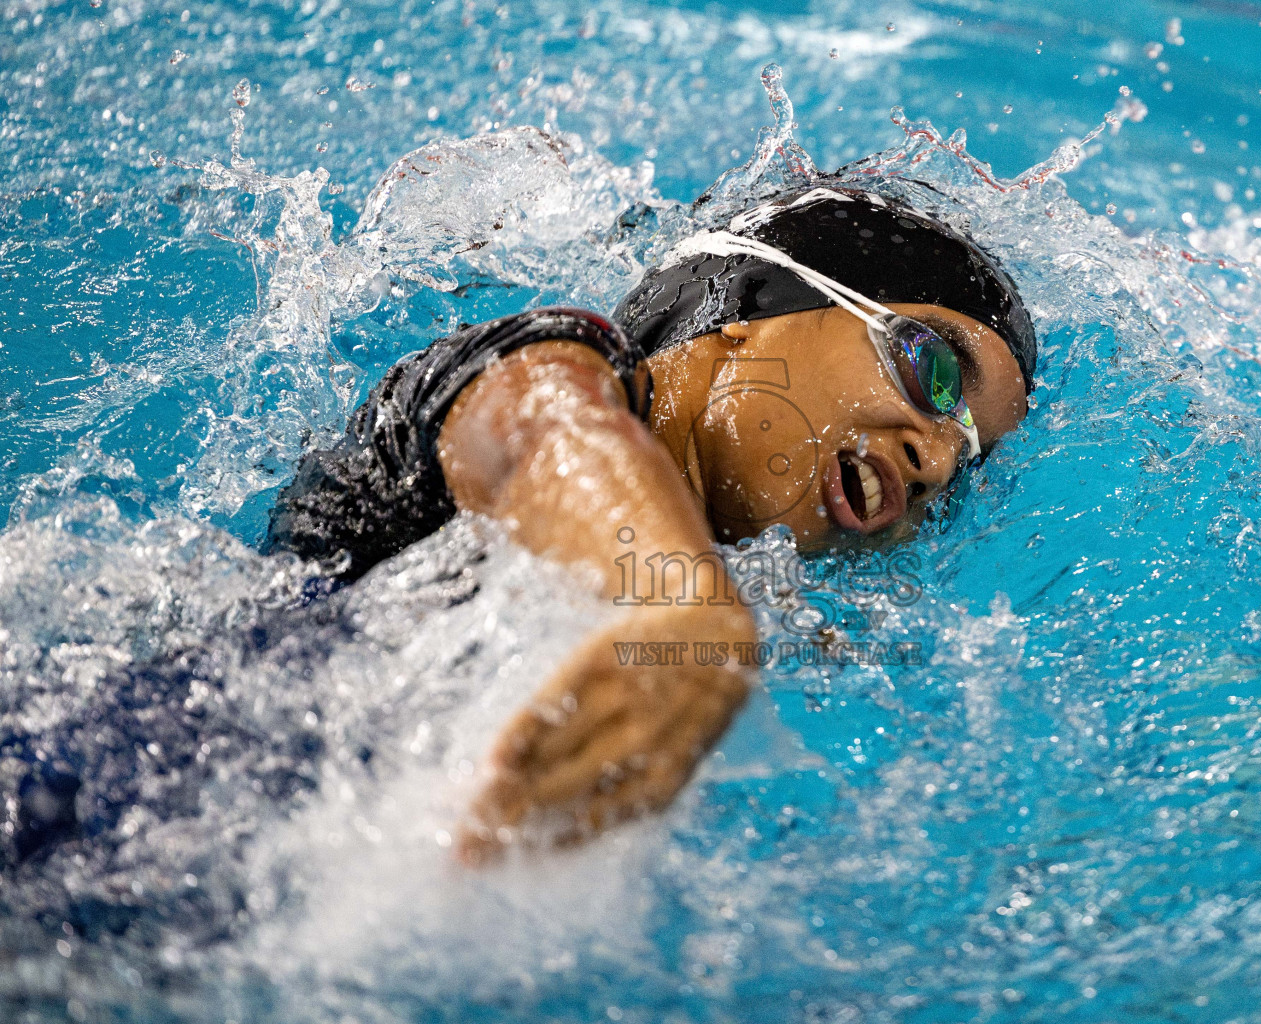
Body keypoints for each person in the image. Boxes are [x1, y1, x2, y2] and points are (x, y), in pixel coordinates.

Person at [264, 183, 1038, 862]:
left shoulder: (752, 640)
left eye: (969, 456)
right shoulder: (534, 369)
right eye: (933, 373)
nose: (937, 461)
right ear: (752, 308)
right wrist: (681, 611)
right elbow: (545, 430)